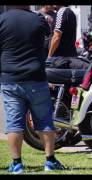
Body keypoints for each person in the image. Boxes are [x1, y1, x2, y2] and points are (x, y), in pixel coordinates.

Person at [0, 5, 65, 174]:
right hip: (36, 77)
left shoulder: (2, 20)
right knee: (44, 121)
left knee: (14, 124)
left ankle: (17, 164)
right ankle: (50, 161)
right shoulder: (38, 19)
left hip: (10, 78)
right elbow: (47, 39)